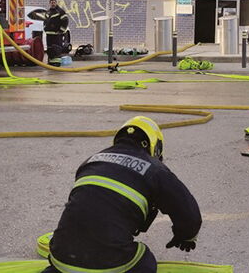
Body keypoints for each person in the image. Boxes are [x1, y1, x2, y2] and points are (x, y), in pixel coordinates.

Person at [44, 115, 202, 273]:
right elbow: (189, 213)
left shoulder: (90, 161)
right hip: (111, 262)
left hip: (60, 256)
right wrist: (186, 235)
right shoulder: (155, 169)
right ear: (156, 146)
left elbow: (84, 207)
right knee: (145, 259)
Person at [44, 0, 68, 66]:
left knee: (57, 48)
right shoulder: (48, 12)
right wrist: (45, 28)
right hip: (49, 34)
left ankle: (57, 62)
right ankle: (50, 62)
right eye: (51, 2)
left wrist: (61, 30)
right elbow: (45, 21)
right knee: (50, 48)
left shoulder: (60, 11)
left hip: (57, 34)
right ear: (49, 3)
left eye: (54, 2)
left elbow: (65, 21)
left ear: (56, 3)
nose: (53, 3)